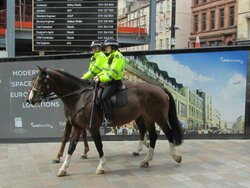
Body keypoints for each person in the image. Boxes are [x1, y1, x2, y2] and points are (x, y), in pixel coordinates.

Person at [94, 38, 125, 126]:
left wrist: (100, 79)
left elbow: (112, 74)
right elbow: (105, 70)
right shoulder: (110, 56)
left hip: (115, 82)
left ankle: (109, 119)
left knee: (104, 97)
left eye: (108, 46)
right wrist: (98, 76)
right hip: (108, 81)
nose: (106, 48)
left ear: (113, 47)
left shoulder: (118, 56)